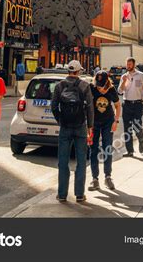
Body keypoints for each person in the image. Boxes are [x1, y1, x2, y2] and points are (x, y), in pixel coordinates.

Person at [51, 60, 94, 203]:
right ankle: (80, 195)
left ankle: (62, 195)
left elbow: (54, 106)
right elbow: (89, 108)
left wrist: (60, 121)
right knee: (81, 161)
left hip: (65, 127)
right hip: (80, 126)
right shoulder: (85, 86)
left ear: (68, 71)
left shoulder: (59, 86)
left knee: (63, 161)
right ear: (79, 71)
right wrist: (90, 127)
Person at [88, 70, 121, 191]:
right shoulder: (92, 88)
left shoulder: (111, 90)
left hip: (108, 122)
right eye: (98, 84)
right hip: (94, 123)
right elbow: (87, 105)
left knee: (107, 148)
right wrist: (88, 125)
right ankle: (94, 179)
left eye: (102, 85)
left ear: (107, 82)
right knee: (93, 149)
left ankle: (108, 177)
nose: (100, 88)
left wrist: (116, 121)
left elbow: (118, 106)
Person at [118, 57, 143, 156]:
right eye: (127, 64)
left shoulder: (141, 75)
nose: (128, 66)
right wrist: (123, 82)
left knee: (136, 126)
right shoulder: (124, 76)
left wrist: (142, 101)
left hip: (137, 104)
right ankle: (130, 151)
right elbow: (119, 91)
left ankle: (141, 138)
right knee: (127, 129)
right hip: (127, 104)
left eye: (130, 64)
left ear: (134, 65)